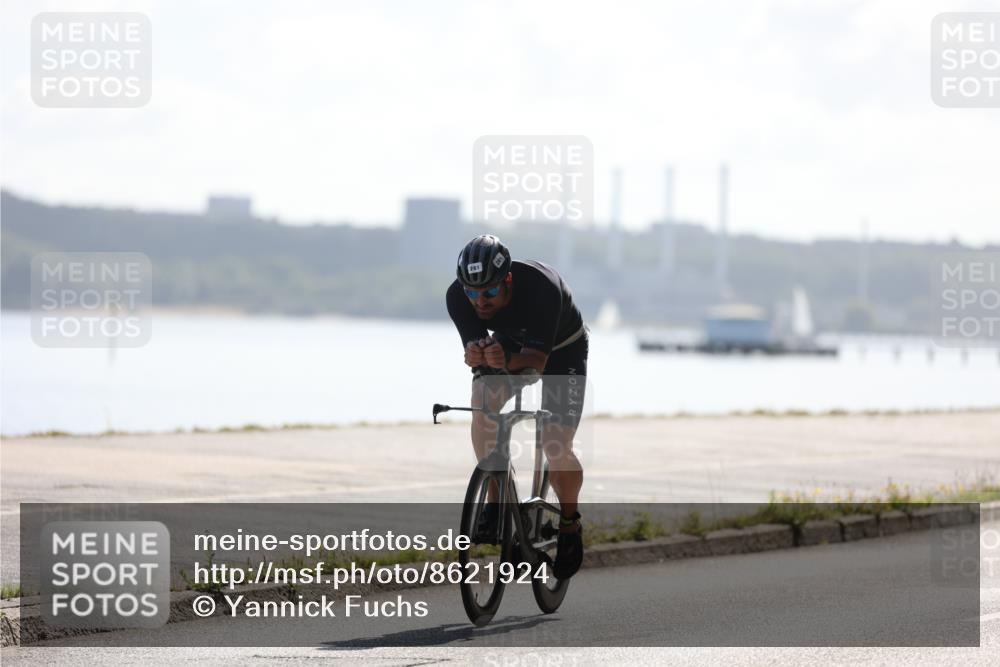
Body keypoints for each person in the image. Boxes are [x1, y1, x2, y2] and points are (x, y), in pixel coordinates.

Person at [446, 234, 588, 580]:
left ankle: (570, 523)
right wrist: (476, 355)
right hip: (512, 342)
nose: (480, 301)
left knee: (556, 443)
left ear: (507, 280)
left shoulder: (541, 287)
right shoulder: (457, 297)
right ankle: (496, 498)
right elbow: (479, 358)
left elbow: (535, 366)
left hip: (562, 348)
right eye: (473, 293)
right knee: (482, 402)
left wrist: (504, 358)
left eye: (490, 293)